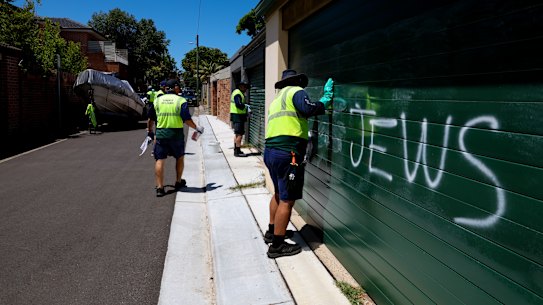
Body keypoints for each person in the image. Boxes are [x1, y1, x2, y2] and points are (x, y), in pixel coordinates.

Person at [263, 69, 334, 258]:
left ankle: (272, 232)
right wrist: (325, 100)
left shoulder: (277, 99)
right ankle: (277, 246)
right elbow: (308, 109)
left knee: (278, 193)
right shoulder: (296, 91)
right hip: (288, 153)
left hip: (271, 151)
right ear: (296, 81)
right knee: (287, 199)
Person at [147, 83, 204, 197]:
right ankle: (178, 182)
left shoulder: (157, 100)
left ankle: (160, 188)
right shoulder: (181, 100)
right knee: (179, 158)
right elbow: (187, 119)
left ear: (166, 89)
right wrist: (197, 128)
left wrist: (150, 131)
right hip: (176, 135)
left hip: (161, 134)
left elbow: (151, 119)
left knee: (160, 160)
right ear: (176, 88)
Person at [230, 80, 250, 157]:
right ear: (240, 86)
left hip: (237, 115)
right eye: (244, 87)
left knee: (237, 134)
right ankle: (237, 152)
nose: (246, 89)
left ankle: (237, 150)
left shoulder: (238, 92)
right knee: (239, 134)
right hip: (238, 116)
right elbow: (238, 104)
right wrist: (246, 107)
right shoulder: (238, 93)